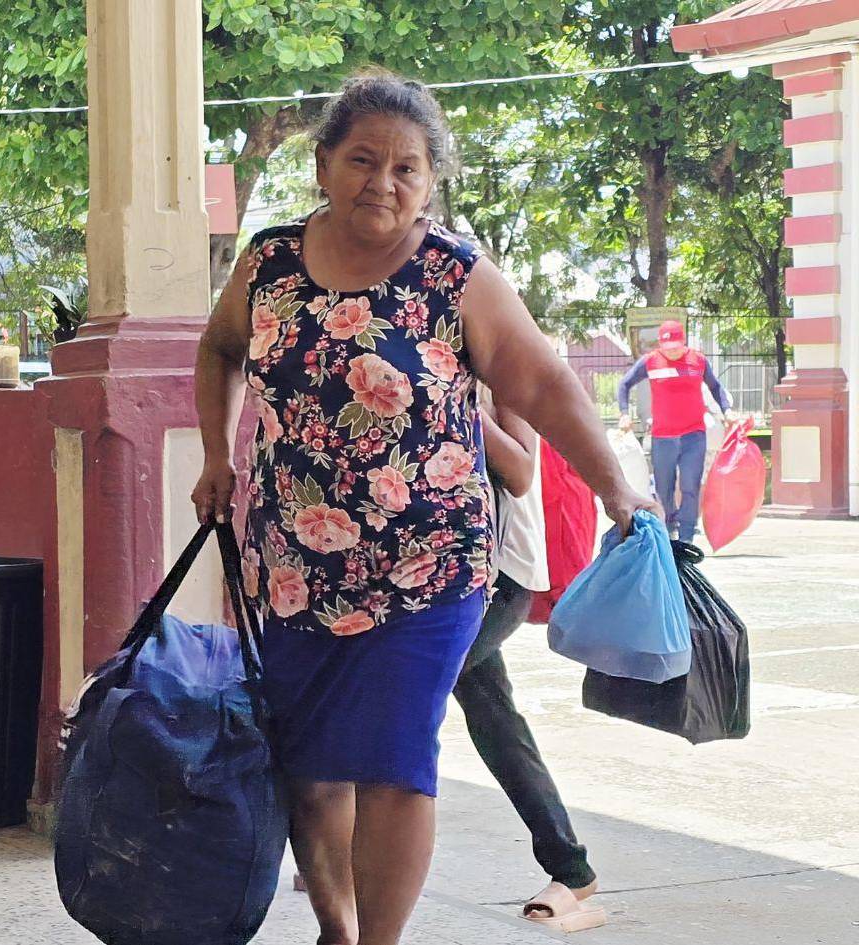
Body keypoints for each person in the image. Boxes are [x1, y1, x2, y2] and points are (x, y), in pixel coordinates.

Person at [193, 70, 659, 945]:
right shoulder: (269, 265)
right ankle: (337, 924)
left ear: (431, 181)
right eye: (363, 160)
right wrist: (218, 456)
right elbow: (217, 351)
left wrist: (615, 486)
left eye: (408, 168)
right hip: (295, 565)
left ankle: (380, 942)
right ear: (324, 165)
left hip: (430, 566)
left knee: (398, 760)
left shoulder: (456, 275)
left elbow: (546, 383)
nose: (384, 182)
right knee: (311, 768)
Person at [453, 389, 605, 932]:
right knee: (494, 719)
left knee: (400, 703)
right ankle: (570, 864)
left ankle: (345, 850)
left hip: (499, 577)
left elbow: (520, 469)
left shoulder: (494, 372)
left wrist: (458, 404)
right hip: (437, 579)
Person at [617, 319, 735, 543]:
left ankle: (687, 535)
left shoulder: (697, 361)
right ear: (660, 345)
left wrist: (727, 411)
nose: (672, 353)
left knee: (690, 485)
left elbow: (716, 387)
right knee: (664, 488)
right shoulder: (650, 362)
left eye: (676, 348)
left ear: (684, 342)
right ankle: (668, 528)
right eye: (667, 348)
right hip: (663, 437)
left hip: (693, 436)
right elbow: (624, 385)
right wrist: (624, 413)